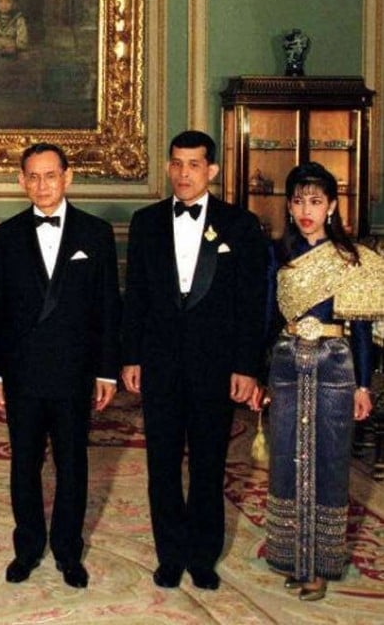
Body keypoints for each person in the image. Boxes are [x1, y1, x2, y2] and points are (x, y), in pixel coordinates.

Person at [121, 130, 267, 591]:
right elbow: (136, 299)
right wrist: (131, 357)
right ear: (168, 167)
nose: (184, 174)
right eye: (177, 164)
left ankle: (202, 555)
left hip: (216, 367)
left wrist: (246, 367)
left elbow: (251, 304)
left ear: (212, 171)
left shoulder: (240, 225)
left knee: (209, 463)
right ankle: (170, 555)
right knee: (161, 464)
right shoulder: (145, 223)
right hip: (160, 365)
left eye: (194, 165)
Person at [0, 143, 120, 588]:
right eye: (33, 177)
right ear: (22, 182)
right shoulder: (6, 235)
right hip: (22, 374)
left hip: (74, 373)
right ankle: (26, 548)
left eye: (50, 175)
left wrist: (105, 370)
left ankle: (68, 550)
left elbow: (107, 309)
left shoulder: (95, 233)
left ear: (68, 177)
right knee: (23, 464)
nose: (42, 185)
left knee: (72, 464)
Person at [251, 162, 384, 601]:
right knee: (288, 460)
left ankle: (321, 565)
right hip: (287, 366)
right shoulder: (278, 255)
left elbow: (361, 329)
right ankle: (291, 556)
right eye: (298, 201)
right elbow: (269, 320)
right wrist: (260, 376)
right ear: (289, 207)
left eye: (315, 201)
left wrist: (363, 386)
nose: (306, 210)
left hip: (335, 366)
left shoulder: (351, 259)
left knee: (327, 464)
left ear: (330, 207)